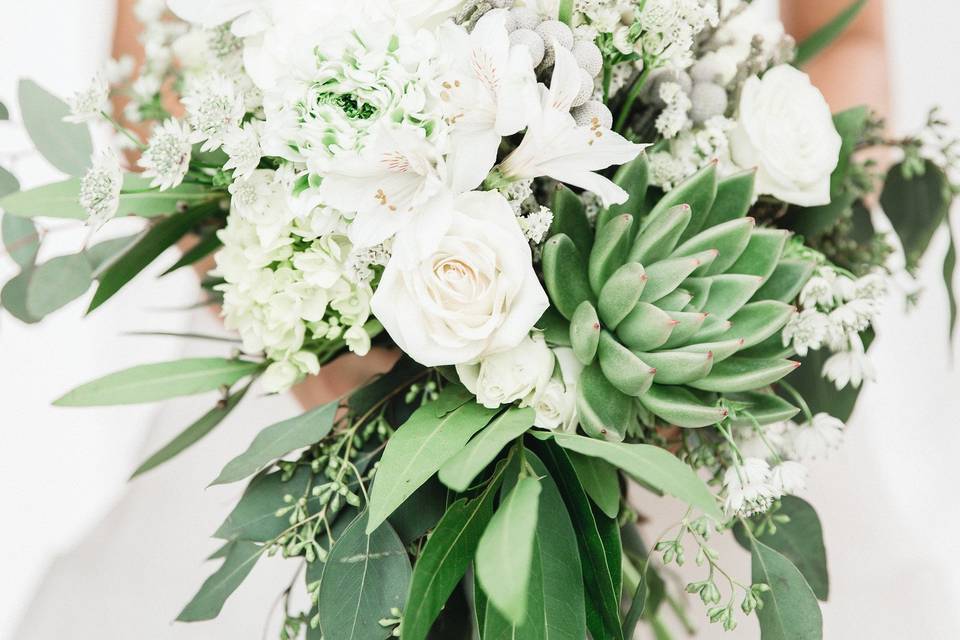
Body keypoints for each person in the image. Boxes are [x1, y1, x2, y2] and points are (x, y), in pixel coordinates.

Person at [12, 1, 960, 639]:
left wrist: (728, 300)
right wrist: (312, 341)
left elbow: (850, 33)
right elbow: (149, 40)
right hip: (310, 367)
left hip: (687, 383)